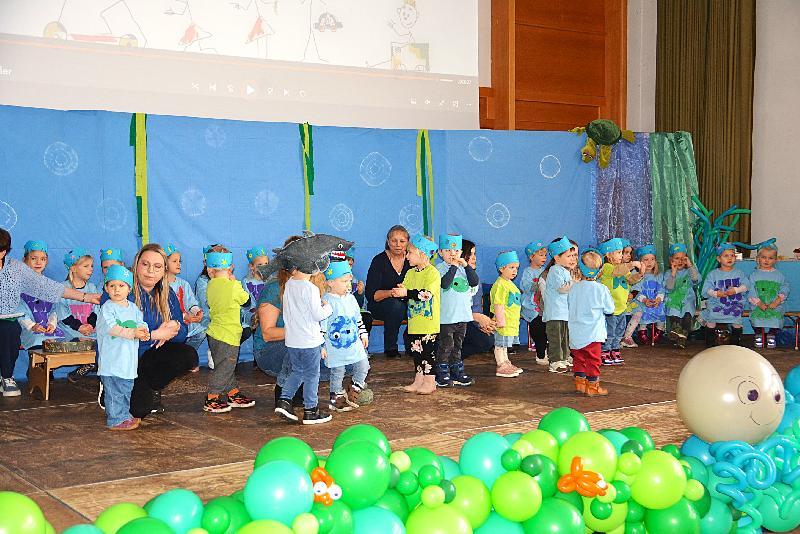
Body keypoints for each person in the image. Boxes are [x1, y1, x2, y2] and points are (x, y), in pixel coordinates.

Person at [100, 243, 200, 417]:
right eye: (145, 264)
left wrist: (175, 326)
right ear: (136, 265)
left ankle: (150, 385)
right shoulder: (118, 290)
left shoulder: (168, 294)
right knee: (139, 410)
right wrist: (155, 334)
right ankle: (109, 386)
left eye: (157, 266)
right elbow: (115, 333)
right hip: (122, 357)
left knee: (188, 355)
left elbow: (182, 334)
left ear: (164, 270)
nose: (150, 271)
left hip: (149, 355)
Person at [0, 229, 100, 397]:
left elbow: (50, 289)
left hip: (7, 319)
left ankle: (7, 377)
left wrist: (86, 297)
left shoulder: (15, 269)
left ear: (3, 252)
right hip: (26, 324)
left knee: (10, 331)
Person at [274, 254, 333, 425]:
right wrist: (327, 307)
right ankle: (310, 410)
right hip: (310, 341)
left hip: (293, 340)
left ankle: (285, 400)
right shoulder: (310, 289)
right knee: (312, 375)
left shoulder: (288, 285)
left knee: (297, 371)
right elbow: (317, 315)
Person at [96, 265, 149, 430]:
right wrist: (133, 332)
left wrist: (144, 331)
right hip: (112, 362)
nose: (116, 290)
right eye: (112, 286)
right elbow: (112, 328)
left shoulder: (133, 308)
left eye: (121, 286)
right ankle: (116, 419)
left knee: (126, 390)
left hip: (128, 362)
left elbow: (141, 323)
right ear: (106, 288)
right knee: (114, 392)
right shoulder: (107, 309)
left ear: (129, 289)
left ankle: (124, 415)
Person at [203, 251, 255, 413]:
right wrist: (236, 284)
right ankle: (212, 397)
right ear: (231, 268)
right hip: (228, 334)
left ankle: (232, 393)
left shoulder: (210, 285)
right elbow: (246, 301)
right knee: (225, 367)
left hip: (214, 333)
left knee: (225, 365)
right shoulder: (233, 286)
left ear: (210, 271)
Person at [393, 234, 440, 395]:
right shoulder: (410, 273)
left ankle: (430, 382)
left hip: (428, 323)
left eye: (410, 253)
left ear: (423, 254)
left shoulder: (432, 273)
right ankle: (419, 380)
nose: (407, 256)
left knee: (428, 353)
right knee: (417, 353)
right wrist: (401, 291)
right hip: (414, 322)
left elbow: (426, 295)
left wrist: (406, 292)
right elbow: (408, 291)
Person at [322, 261, 370, 412]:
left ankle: (355, 387)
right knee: (338, 371)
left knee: (364, 365)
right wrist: (321, 345)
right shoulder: (326, 300)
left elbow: (358, 318)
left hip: (354, 342)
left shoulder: (351, 298)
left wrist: (363, 334)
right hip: (335, 346)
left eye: (349, 280)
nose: (348, 285)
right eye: (344, 281)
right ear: (330, 282)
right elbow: (321, 325)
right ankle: (336, 397)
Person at [568, 250, 614, 396]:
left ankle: (580, 384)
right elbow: (610, 309)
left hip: (575, 332)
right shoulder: (601, 289)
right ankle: (592, 387)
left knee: (579, 359)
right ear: (599, 271)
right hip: (593, 333)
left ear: (579, 268)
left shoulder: (573, 288)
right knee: (593, 360)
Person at [433, 234, 477, 387]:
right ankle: (441, 372)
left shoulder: (464, 269)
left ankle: (456, 370)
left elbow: (474, 281)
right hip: (447, 317)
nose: (452, 254)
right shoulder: (438, 269)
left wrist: (465, 265)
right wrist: (453, 266)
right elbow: (445, 284)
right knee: (446, 346)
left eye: (456, 251)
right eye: (447, 250)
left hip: (462, 317)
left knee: (458, 346)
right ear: (440, 252)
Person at [366, 225, 411, 357]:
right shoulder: (379, 261)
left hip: (408, 305)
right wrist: (393, 293)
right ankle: (390, 348)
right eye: (393, 241)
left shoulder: (412, 260)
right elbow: (372, 295)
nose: (398, 245)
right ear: (387, 241)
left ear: (407, 242)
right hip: (380, 306)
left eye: (402, 241)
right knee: (395, 305)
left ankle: (414, 345)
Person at [57, 248, 100, 382]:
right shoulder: (63, 287)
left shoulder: (92, 288)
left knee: (104, 343)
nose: (91, 269)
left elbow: (96, 310)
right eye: (86, 266)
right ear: (74, 268)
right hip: (70, 330)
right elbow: (62, 313)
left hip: (90, 331)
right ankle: (92, 364)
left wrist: (90, 325)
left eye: (92, 266)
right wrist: (80, 327)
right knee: (80, 342)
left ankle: (89, 366)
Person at [598, 238, 642, 366]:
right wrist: (632, 264)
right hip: (610, 308)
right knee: (610, 331)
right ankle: (605, 350)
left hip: (622, 307)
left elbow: (630, 279)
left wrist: (640, 274)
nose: (622, 255)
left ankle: (615, 349)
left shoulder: (623, 268)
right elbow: (617, 272)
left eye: (621, 252)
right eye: (618, 252)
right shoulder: (606, 267)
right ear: (608, 254)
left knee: (619, 330)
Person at [17, 241, 65, 354]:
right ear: (24, 260)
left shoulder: (49, 285)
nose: (38, 262)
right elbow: (19, 309)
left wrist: (52, 324)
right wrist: (32, 326)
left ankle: (49, 370)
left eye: (42, 259)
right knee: (38, 342)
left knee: (60, 340)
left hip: (47, 329)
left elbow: (54, 309)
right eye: (34, 258)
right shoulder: (20, 285)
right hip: (29, 329)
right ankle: (36, 370)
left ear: (46, 261)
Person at [542, 236, 579, 374]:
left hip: (564, 312)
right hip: (555, 312)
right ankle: (555, 361)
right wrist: (574, 283)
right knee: (556, 338)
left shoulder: (565, 271)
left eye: (573, 256)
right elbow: (562, 288)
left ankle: (564, 357)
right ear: (557, 258)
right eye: (569, 256)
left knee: (565, 337)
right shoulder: (555, 270)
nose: (572, 259)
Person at [702, 243, 748, 347]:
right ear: (719, 259)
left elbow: (746, 286)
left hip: (734, 302)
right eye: (726, 256)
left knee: (736, 317)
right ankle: (709, 344)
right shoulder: (713, 274)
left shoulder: (739, 273)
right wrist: (716, 293)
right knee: (711, 316)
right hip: (717, 302)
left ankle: (735, 344)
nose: (729, 258)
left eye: (732, 255)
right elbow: (706, 290)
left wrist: (736, 290)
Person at [622, 245, 666, 346]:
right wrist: (644, 300)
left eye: (652, 259)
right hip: (641, 300)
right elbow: (636, 290)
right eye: (646, 259)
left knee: (662, 309)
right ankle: (642, 330)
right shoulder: (636, 274)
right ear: (640, 262)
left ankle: (660, 329)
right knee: (642, 311)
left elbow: (661, 289)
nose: (650, 262)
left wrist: (659, 299)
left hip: (656, 301)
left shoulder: (658, 275)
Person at [164, 244, 205, 350]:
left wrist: (197, 312)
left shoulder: (184, 284)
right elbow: (165, 309)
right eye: (174, 261)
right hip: (171, 322)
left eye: (179, 261)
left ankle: (185, 353)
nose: (178, 264)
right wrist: (183, 316)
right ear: (164, 263)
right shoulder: (160, 286)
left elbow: (191, 302)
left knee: (201, 332)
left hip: (187, 321)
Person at [748, 244, 790, 349]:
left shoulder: (779, 275)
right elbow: (750, 289)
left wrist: (777, 301)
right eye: (763, 257)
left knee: (776, 316)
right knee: (756, 316)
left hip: (774, 303)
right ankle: (758, 334)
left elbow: (785, 287)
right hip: (758, 303)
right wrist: (759, 303)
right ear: (758, 259)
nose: (767, 260)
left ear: (775, 260)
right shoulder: (754, 275)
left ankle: (772, 334)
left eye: (770, 258)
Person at [491, 251, 524, 378]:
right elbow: (498, 304)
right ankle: (501, 365)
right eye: (511, 267)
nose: (514, 271)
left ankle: (506, 362)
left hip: (510, 321)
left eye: (516, 268)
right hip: (503, 322)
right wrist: (500, 321)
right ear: (501, 268)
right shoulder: (500, 284)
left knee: (505, 344)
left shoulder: (510, 284)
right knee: (500, 344)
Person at [460, 239, 495, 357]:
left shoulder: (475, 279)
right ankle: (445, 361)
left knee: (487, 339)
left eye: (475, 254)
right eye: (470, 254)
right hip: (450, 324)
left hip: (468, 322)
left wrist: (482, 325)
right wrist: (476, 317)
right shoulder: (449, 278)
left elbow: (476, 307)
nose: (474, 258)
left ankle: (455, 360)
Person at [663, 243, 699, 349]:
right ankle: (676, 329)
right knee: (673, 312)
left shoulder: (690, 271)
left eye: (683, 259)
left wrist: (690, 266)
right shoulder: (668, 273)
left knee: (687, 315)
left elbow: (696, 280)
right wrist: (673, 274)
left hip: (687, 300)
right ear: (671, 260)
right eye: (676, 258)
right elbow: (669, 288)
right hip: (673, 300)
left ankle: (682, 337)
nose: (679, 261)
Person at [520, 240, 548, 365]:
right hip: (532, 307)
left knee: (547, 331)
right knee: (538, 332)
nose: (544, 258)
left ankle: (547, 352)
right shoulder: (528, 271)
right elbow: (525, 286)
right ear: (532, 257)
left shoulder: (546, 271)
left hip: (545, 307)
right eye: (541, 255)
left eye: (545, 255)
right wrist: (538, 284)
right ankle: (540, 354)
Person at [242, 246, 269, 345]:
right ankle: (258, 353)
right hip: (253, 313)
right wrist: (257, 311)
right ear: (252, 266)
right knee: (258, 321)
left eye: (266, 264)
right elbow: (247, 303)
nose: (264, 267)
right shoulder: (246, 281)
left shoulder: (270, 280)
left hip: (269, 312)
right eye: (260, 265)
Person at [346, 247, 373, 334]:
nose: (350, 263)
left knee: (366, 318)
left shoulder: (354, 281)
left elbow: (359, 305)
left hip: (354, 312)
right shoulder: (330, 280)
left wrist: (360, 293)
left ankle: (362, 346)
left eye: (351, 263)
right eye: (346, 261)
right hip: (338, 311)